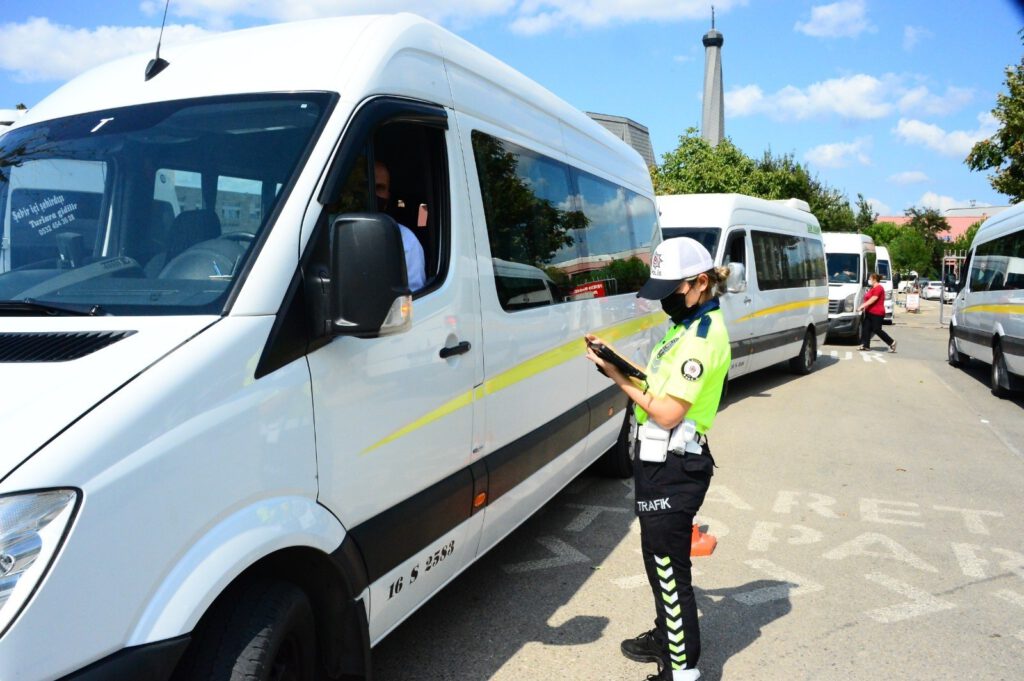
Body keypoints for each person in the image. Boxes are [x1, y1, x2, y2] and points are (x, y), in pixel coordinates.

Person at [585, 237, 731, 681]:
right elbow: (656, 382)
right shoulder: (684, 327)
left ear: (700, 283)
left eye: (672, 290)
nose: (665, 300)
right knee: (658, 560)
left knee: (669, 566)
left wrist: (615, 376)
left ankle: (681, 670)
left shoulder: (703, 337)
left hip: (675, 466)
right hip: (660, 462)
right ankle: (666, 637)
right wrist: (620, 363)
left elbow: (667, 412)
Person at [374, 160, 426, 291]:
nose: (373, 194)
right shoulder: (332, 232)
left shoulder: (406, 241)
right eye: (366, 186)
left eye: (379, 188)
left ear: (388, 196)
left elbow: (413, 298)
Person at [857, 272, 896, 352]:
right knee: (866, 328)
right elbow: (867, 298)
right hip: (869, 312)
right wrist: (864, 307)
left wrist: (862, 306)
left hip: (877, 313)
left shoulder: (879, 288)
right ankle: (865, 345)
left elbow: (874, 298)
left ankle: (891, 342)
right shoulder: (872, 288)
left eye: (870, 279)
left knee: (876, 329)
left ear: (874, 279)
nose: (869, 280)